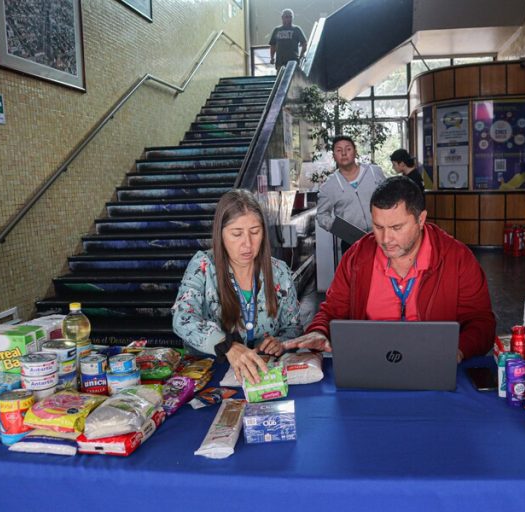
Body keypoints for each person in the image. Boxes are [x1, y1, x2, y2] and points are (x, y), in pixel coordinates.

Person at [285, 176, 496, 362]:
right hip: (370, 363)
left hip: (435, 365)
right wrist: (320, 331)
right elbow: (332, 310)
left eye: (396, 228)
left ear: (421, 220)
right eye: (378, 227)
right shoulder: (357, 257)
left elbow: (481, 322)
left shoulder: (457, 258)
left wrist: (458, 350)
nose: (386, 239)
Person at [172, 189, 302, 384]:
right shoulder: (203, 266)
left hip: (263, 377)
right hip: (210, 377)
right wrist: (227, 346)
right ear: (221, 234)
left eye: (255, 232)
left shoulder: (279, 272)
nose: (247, 243)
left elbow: (293, 327)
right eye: (236, 234)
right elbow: (182, 318)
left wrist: (280, 343)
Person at [316, 135, 386, 252]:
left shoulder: (374, 172)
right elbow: (322, 215)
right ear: (334, 156)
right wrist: (341, 230)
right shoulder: (329, 186)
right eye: (339, 150)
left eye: (348, 149)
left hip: (382, 237)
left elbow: (390, 198)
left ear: (355, 152)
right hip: (352, 243)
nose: (344, 153)